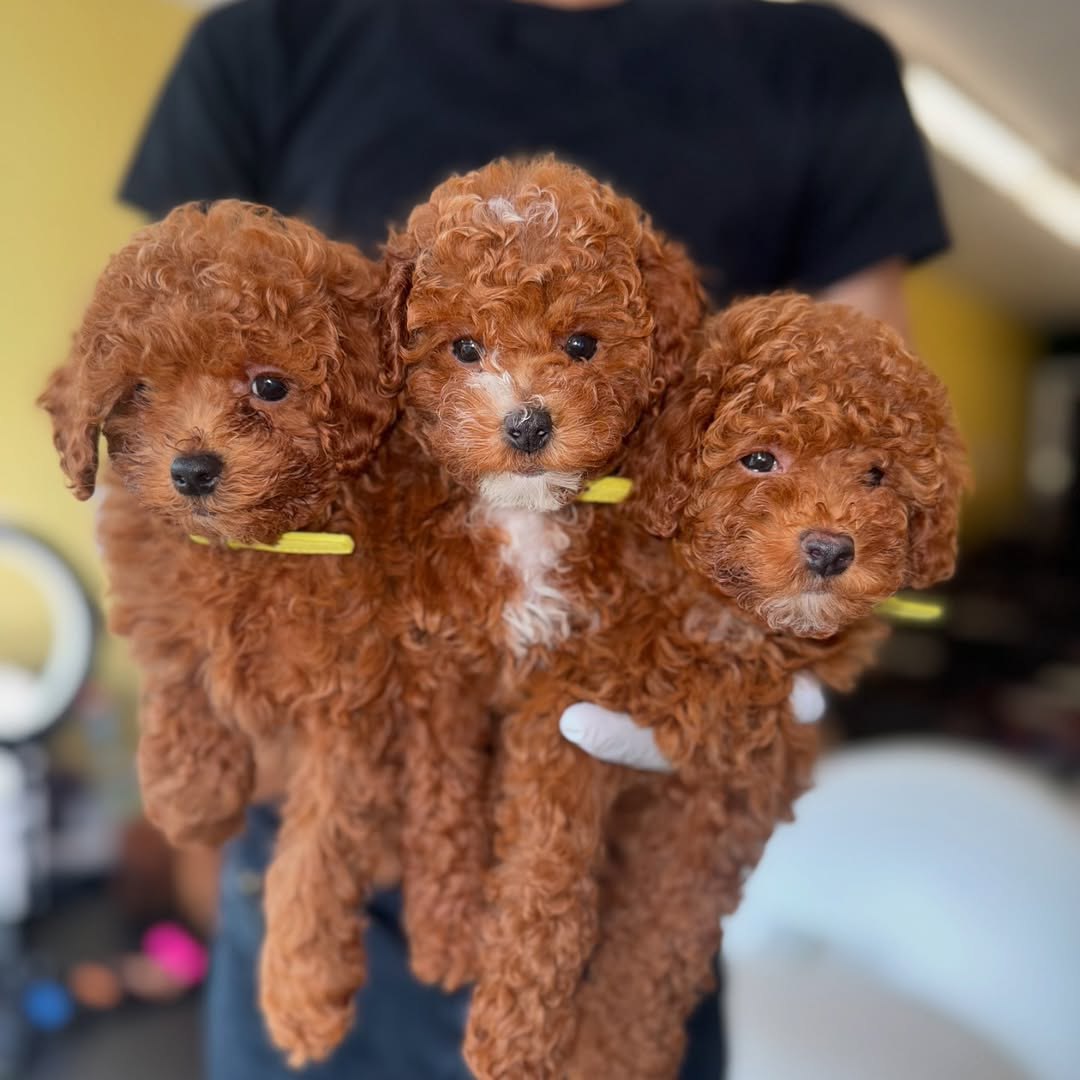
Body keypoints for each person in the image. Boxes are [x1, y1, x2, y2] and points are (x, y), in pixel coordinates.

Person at [120, 1, 947, 1077]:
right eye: (463, 349)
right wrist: (204, 709)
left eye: (579, 343)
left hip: (633, 832)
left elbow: (868, 431)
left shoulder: (819, 65)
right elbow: (154, 399)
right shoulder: (274, 38)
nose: (520, 400)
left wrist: (783, 663)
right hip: (328, 809)